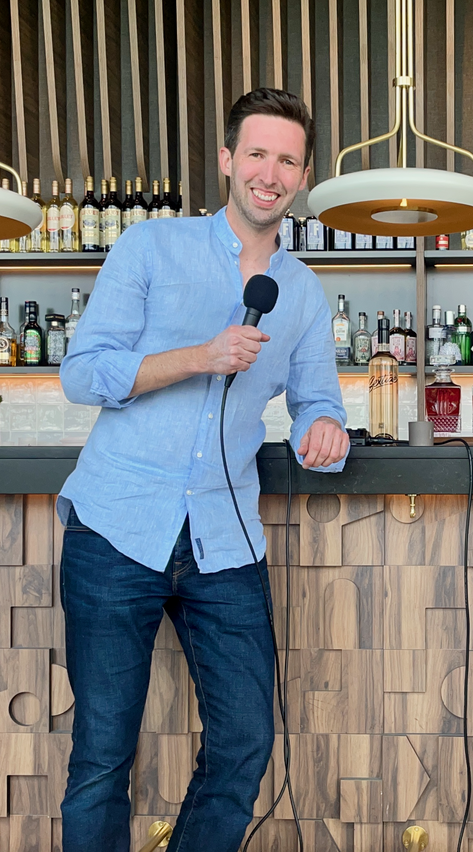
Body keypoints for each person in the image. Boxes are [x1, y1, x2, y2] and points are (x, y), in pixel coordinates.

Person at [58, 88, 350, 852]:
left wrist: (324, 429)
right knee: (100, 757)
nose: (269, 173)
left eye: (286, 160)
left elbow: (320, 402)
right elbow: (82, 373)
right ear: (226, 159)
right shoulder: (151, 247)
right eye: (256, 153)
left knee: (245, 740)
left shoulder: (302, 291)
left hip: (224, 539)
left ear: (303, 176)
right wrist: (200, 355)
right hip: (115, 527)